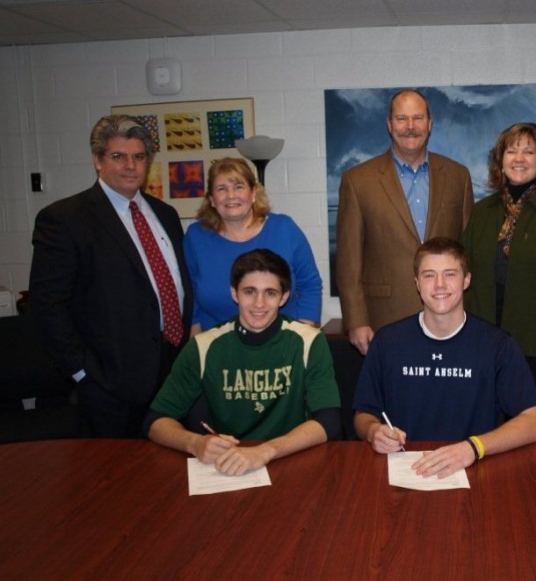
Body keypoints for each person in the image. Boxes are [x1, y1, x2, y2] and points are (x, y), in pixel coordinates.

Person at [29, 115, 192, 438]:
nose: (130, 166)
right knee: (115, 481)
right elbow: (47, 306)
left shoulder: (166, 215)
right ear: (98, 161)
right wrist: (81, 373)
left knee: (169, 477)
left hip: (171, 373)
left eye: (139, 156)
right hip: (109, 384)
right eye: (118, 156)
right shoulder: (65, 219)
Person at [353, 237, 536, 479]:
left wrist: (473, 448)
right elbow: (363, 415)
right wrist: (373, 432)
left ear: (467, 280)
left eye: (450, 274)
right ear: (416, 283)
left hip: (474, 470)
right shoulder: (387, 342)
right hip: (406, 470)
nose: (440, 285)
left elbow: (535, 423)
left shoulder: (497, 346)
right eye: (429, 275)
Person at [147, 249, 341, 476]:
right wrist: (194, 443)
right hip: (227, 465)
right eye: (249, 292)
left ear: (284, 297)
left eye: (270, 293)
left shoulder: (309, 342)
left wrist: (266, 451)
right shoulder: (204, 346)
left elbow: (329, 421)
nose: (259, 303)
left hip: (288, 459)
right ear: (234, 293)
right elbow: (155, 420)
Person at [461, 122, 536, 439]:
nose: (519, 158)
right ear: (500, 161)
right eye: (511, 150)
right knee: (486, 434)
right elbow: (468, 284)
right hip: (484, 348)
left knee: (534, 440)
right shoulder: (481, 213)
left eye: (528, 151)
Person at [337, 88, 474, 355]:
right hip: (384, 318)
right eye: (401, 119)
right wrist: (356, 320)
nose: (410, 127)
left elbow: (468, 252)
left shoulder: (458, 176)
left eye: (417, 118)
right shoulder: (357, 181)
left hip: (449, 316)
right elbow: (348, 260)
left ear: (430, 123)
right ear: (389, 125)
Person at [184, 157, 322, 333]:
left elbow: (310, 284)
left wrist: (304, 337)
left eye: (239, 187)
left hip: (283, 342)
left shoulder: (284, 229)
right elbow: (190, 295)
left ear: (253, 193)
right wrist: (196, 343)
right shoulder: (195, 237)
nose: (231, 195)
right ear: (211, 199)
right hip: (219, 346)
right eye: (221, 189)